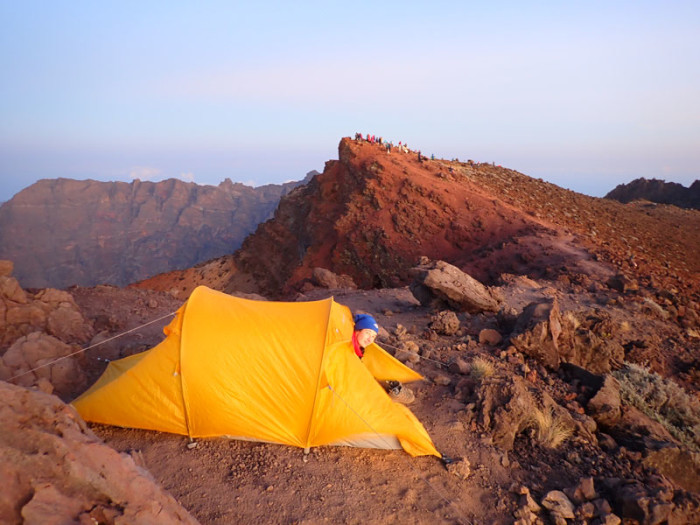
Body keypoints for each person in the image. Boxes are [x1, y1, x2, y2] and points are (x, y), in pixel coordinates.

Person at [352, 313, 415, 404]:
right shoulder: (347, 348)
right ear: (357, 331)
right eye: (368, 333)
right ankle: (385, 397)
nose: (370, 339)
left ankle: (393, 388)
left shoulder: (359, 347)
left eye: (373, 336)